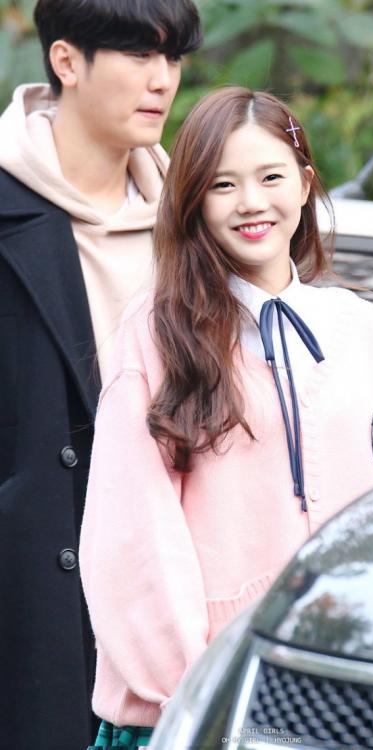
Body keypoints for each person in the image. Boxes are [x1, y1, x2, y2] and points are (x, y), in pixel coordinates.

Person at [80, 87, 373, 745]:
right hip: (201, 709)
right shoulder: (157, 335)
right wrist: (204, 696)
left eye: (270, 177)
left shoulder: (358, 328)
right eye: (223, 184)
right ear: (194, 203)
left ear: (305, 184)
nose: (251, 202)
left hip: (347, 699)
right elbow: (132, 542)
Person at [0, 1, 202, 748]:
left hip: (179, 625)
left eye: (172, 58)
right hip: (35, 631)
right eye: (137, 55)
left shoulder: (194, 225)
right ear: (66, 61)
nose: (162, 80)